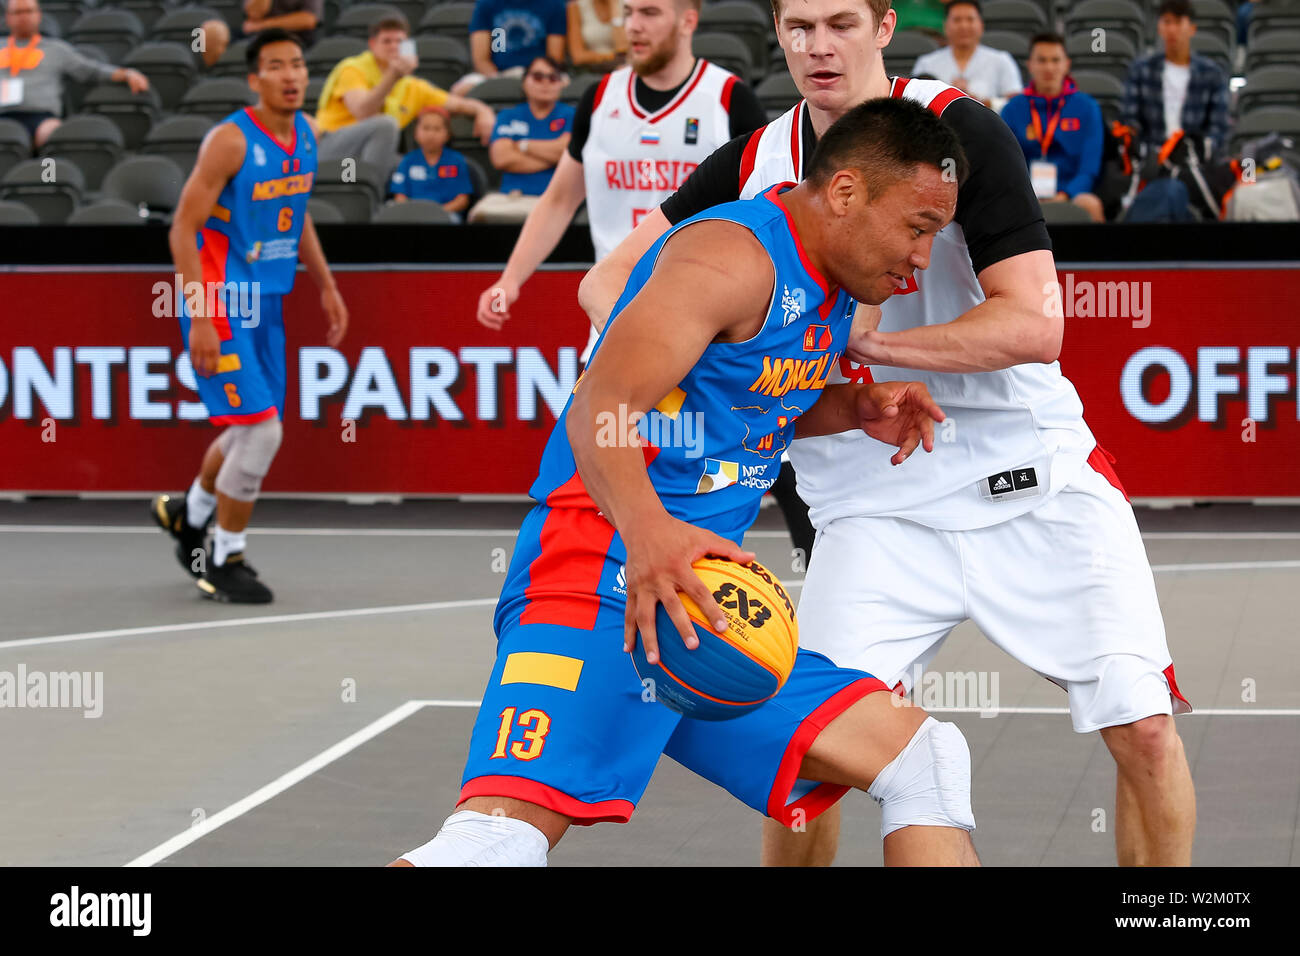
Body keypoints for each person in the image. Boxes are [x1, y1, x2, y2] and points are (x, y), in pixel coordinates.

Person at [581, 0, 1196, 868]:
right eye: (797, 27)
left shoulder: (959, 132)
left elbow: (1035, 325)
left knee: (1145, 732)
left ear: (883, 25)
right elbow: (607, 286)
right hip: (870, 502)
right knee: (814, 754)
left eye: (838, 23)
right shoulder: (752, 162)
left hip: (1027, 476)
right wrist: (722, 372)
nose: (816, 46)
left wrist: (860, 344)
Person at [392, 98, 979, 868]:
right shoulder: (729, 260)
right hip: (600, 571)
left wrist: (854, 406)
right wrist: (648, 533)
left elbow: (736, 403)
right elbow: (601, 407)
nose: (924, 257)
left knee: (923, 761)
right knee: (494, 844)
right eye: (919, 227)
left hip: (695, 604)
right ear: (844, 194)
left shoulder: (840, 276)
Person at [152, 29, 348, 604]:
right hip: (220, 301)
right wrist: (202, 319)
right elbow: (182, 230)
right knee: (263, 430)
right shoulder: (229, 141)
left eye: (297, 65)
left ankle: (187, 513)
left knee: (245, 425)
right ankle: (222, 555)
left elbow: (297, 214)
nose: (290, 75)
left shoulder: (307, 135)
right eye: (276, 66)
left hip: (267, 302)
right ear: (254, 79)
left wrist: (327, 284)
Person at [315, 15, 494, 178]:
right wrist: (392, 76)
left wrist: (483, 111)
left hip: (371, 156)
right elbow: (363, 112)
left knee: (414, 170)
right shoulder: (353, 69)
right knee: (385, 125)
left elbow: (458, 105)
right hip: (332, 146)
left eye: (399, 41)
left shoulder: (412, 86)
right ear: (372, 44)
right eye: (386, 41)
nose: (393, 46)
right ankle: (373, 193)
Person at [0, 0, 150, 150]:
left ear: (38, 15)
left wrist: (127, 74)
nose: (24, 16)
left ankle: (48, 173)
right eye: (18, 12)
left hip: (41, 118)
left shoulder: (56, 49)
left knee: (53, 133)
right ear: (8, 17)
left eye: (29, 11)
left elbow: (92, 71)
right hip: (3, 115)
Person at [1001, 32, 1105, 222]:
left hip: (1071, 194)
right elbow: (1005, 165)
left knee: (1090, 204)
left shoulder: (1087, 108)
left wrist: (1064, 195)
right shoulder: (1012, 109)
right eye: (1041, 60)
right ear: (1030, 65)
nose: (1049, 67)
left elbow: (1089, 169)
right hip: (1024, 194)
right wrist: (1028, 194)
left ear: (1067, 64)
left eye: (1055, 60)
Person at [468, 56, 574, 224]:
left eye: (553, 78)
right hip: (512, 200)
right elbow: (502, 158)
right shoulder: (507, 116)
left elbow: (569, 153)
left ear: (561, 84)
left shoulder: (572, 115)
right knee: (479, 217)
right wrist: (555, 158)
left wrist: (523, 145)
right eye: (538, 77)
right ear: (524, 82)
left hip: (558, 201)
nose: (545, 83)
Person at [1121, 0, 1230, 158]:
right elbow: (1130, 121)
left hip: (1195, 160)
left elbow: (1218, 128)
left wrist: (1199, 151)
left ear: (1192, 29)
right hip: (1153, 158)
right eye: (1167, 22)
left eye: (1178, 22)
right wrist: (1145, 152)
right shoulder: (1141, 70)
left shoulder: (1211, 73)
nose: (1172, 29)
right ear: (1159, 27)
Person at [911, 0, 1020, 111]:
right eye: (957, 20)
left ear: (981, 25)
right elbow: (915, 103)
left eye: (970, 19)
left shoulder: (1002, 60)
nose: (963, 26)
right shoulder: (926, 63)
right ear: (945, 26)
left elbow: (1017, 104)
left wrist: (984, 103)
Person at [452, 0, 568, 96]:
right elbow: (481, 60)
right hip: (496, 73)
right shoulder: (488, 4)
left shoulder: (553, 4)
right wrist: (499, 80)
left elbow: (554, 58)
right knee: (459, 91)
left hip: (540, 74)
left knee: (566, 85)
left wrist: (536, 78)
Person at [390, 107, 473, 219]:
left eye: (437, 129)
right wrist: (414, 213)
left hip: (446, 214)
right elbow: (400, 197)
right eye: (426, 128)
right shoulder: (407, 161)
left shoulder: (457, 160)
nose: (431, 134)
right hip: (413, 215)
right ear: (415, 133)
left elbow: (462, 199)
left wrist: (437, 212)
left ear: (448, 135)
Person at [568, 0, 627, 70]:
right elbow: (578, 57)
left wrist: (614, 7)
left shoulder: (628, 5)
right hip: (592, 71)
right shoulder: (576, 6)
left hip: (623, 68)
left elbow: (623, 48)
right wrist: (613, 56)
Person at [241, 0, 324, 48]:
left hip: (300, 41)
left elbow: (309, 19)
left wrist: (262, 25)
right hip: (261, 40)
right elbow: (254, 13)